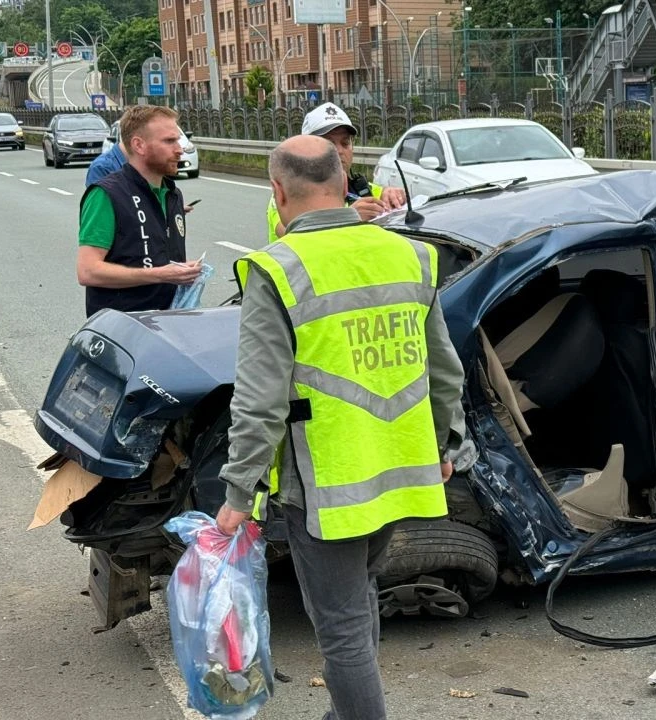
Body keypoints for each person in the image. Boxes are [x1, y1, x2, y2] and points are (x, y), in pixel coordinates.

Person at [217, 135, 464, 720]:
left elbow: (260, 399)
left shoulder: (277, 269)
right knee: (359, 599)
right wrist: (444, 444)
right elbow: (443, 368)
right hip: (400, 469)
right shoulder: (410, 254)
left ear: (278, 192)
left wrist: (238, 491)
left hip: (326, 482)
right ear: (343, 181)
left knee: (343, 630)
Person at [76, 105, 201, 316]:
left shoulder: (172, 194)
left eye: (178, 140)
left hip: (169, 323)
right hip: (122, 326)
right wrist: (160, 274)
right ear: (139, 145)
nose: (179, 149)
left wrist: (182, 273)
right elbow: (88, 271)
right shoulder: (106, 194)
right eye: (169, 141)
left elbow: (159, 259)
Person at [266, 102, 407, 242]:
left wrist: (392, 195)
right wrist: (348, 217)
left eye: (345, 143)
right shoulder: (287, 194)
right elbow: (291, 234)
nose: (339, 151)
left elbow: (382, 195)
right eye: (330, 144)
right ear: (306, 148)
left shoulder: (361, 189)